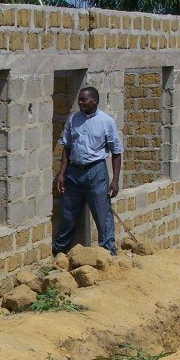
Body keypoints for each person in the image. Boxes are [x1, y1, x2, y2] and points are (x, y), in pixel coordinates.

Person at [52, 86, 123, 256]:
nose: (80, 102)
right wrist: (61, 173)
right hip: (74, 172)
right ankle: (60, 251)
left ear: (95, 100)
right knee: (68, 214)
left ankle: (108, 252)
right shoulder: (73, 119)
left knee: (102, 213)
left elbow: (116, 152)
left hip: (96, 172)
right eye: (80, 99)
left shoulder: (106, 122)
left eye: (84, 99)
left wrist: (115, 180)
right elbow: (67, 147)